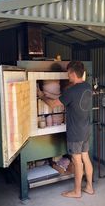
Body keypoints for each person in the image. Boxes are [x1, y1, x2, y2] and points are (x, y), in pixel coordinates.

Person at [37, 61, 94, 198]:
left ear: (73, 74)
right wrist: (54, 95)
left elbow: (52, 105)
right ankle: (90, 188)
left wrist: (41, 95)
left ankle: (77, 191)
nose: (68, 77)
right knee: (85, 158)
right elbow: (66, 99)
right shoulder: (87, 87)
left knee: (77, 161)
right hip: (86, 129)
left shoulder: (71, 91)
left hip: (75, 132)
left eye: (68, 74)